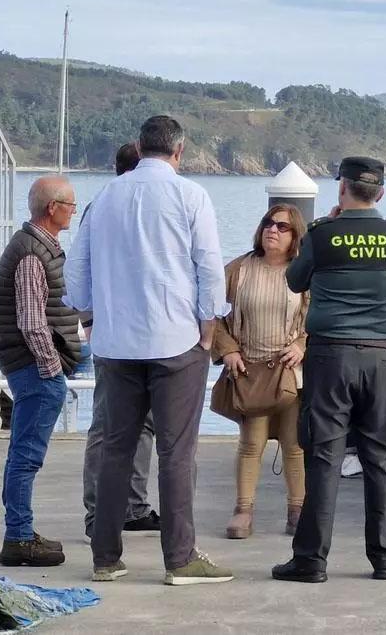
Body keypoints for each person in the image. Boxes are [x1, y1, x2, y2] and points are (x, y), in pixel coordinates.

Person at [64, 115, 234, 586]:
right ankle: (180, 558)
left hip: (116, 344)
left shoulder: (104, 198)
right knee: (176, 452)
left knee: (115, 449)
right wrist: (208, 329)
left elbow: (77, 271)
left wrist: (92, 318)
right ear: (179, 151)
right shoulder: (191, 196)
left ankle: (105, 556)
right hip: (176, 340)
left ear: (138, 148)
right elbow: (209, 267)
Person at [272, 156, 386, 584]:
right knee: (379, 459)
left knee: (325, 457)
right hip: (382, 358)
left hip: (331, 357)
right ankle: (385, 558)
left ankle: (311, 561)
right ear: (380, 192)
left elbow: (294, 280)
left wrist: (328, 228)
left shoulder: (323, 234)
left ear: (342, 189)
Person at [0, 174, 82, 567]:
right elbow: (31, 321)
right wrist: (52, 370)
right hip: (33, 365)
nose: (74, 211)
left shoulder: (34, 246)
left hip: (27, 363)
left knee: (21, 453)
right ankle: (19, 537)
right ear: (53, 208)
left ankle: (20, 531)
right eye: (70, 205)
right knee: (26, 456)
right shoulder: (31, 254)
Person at [212, 204, 309, 539]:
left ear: (295, 235)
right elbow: (213, 313)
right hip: (250, 370)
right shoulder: (238, 269)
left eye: (282, 227)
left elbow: (318, 317)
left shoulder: (303, 273)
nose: (273, 230)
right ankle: (243, 511)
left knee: (294, 444)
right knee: (251, 442)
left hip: (290, 372)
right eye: (268, 223)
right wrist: (227, 349)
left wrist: (302, 345)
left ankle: (298, 511)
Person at [80, 141, 160, 542]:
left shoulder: (101, 206)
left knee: (134, 423)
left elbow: (79, 271)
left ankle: (129, 507)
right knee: (111, 423)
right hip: (134, 333)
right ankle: (104, 510)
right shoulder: (107, 208)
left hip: (123, 331)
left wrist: (89, 319)